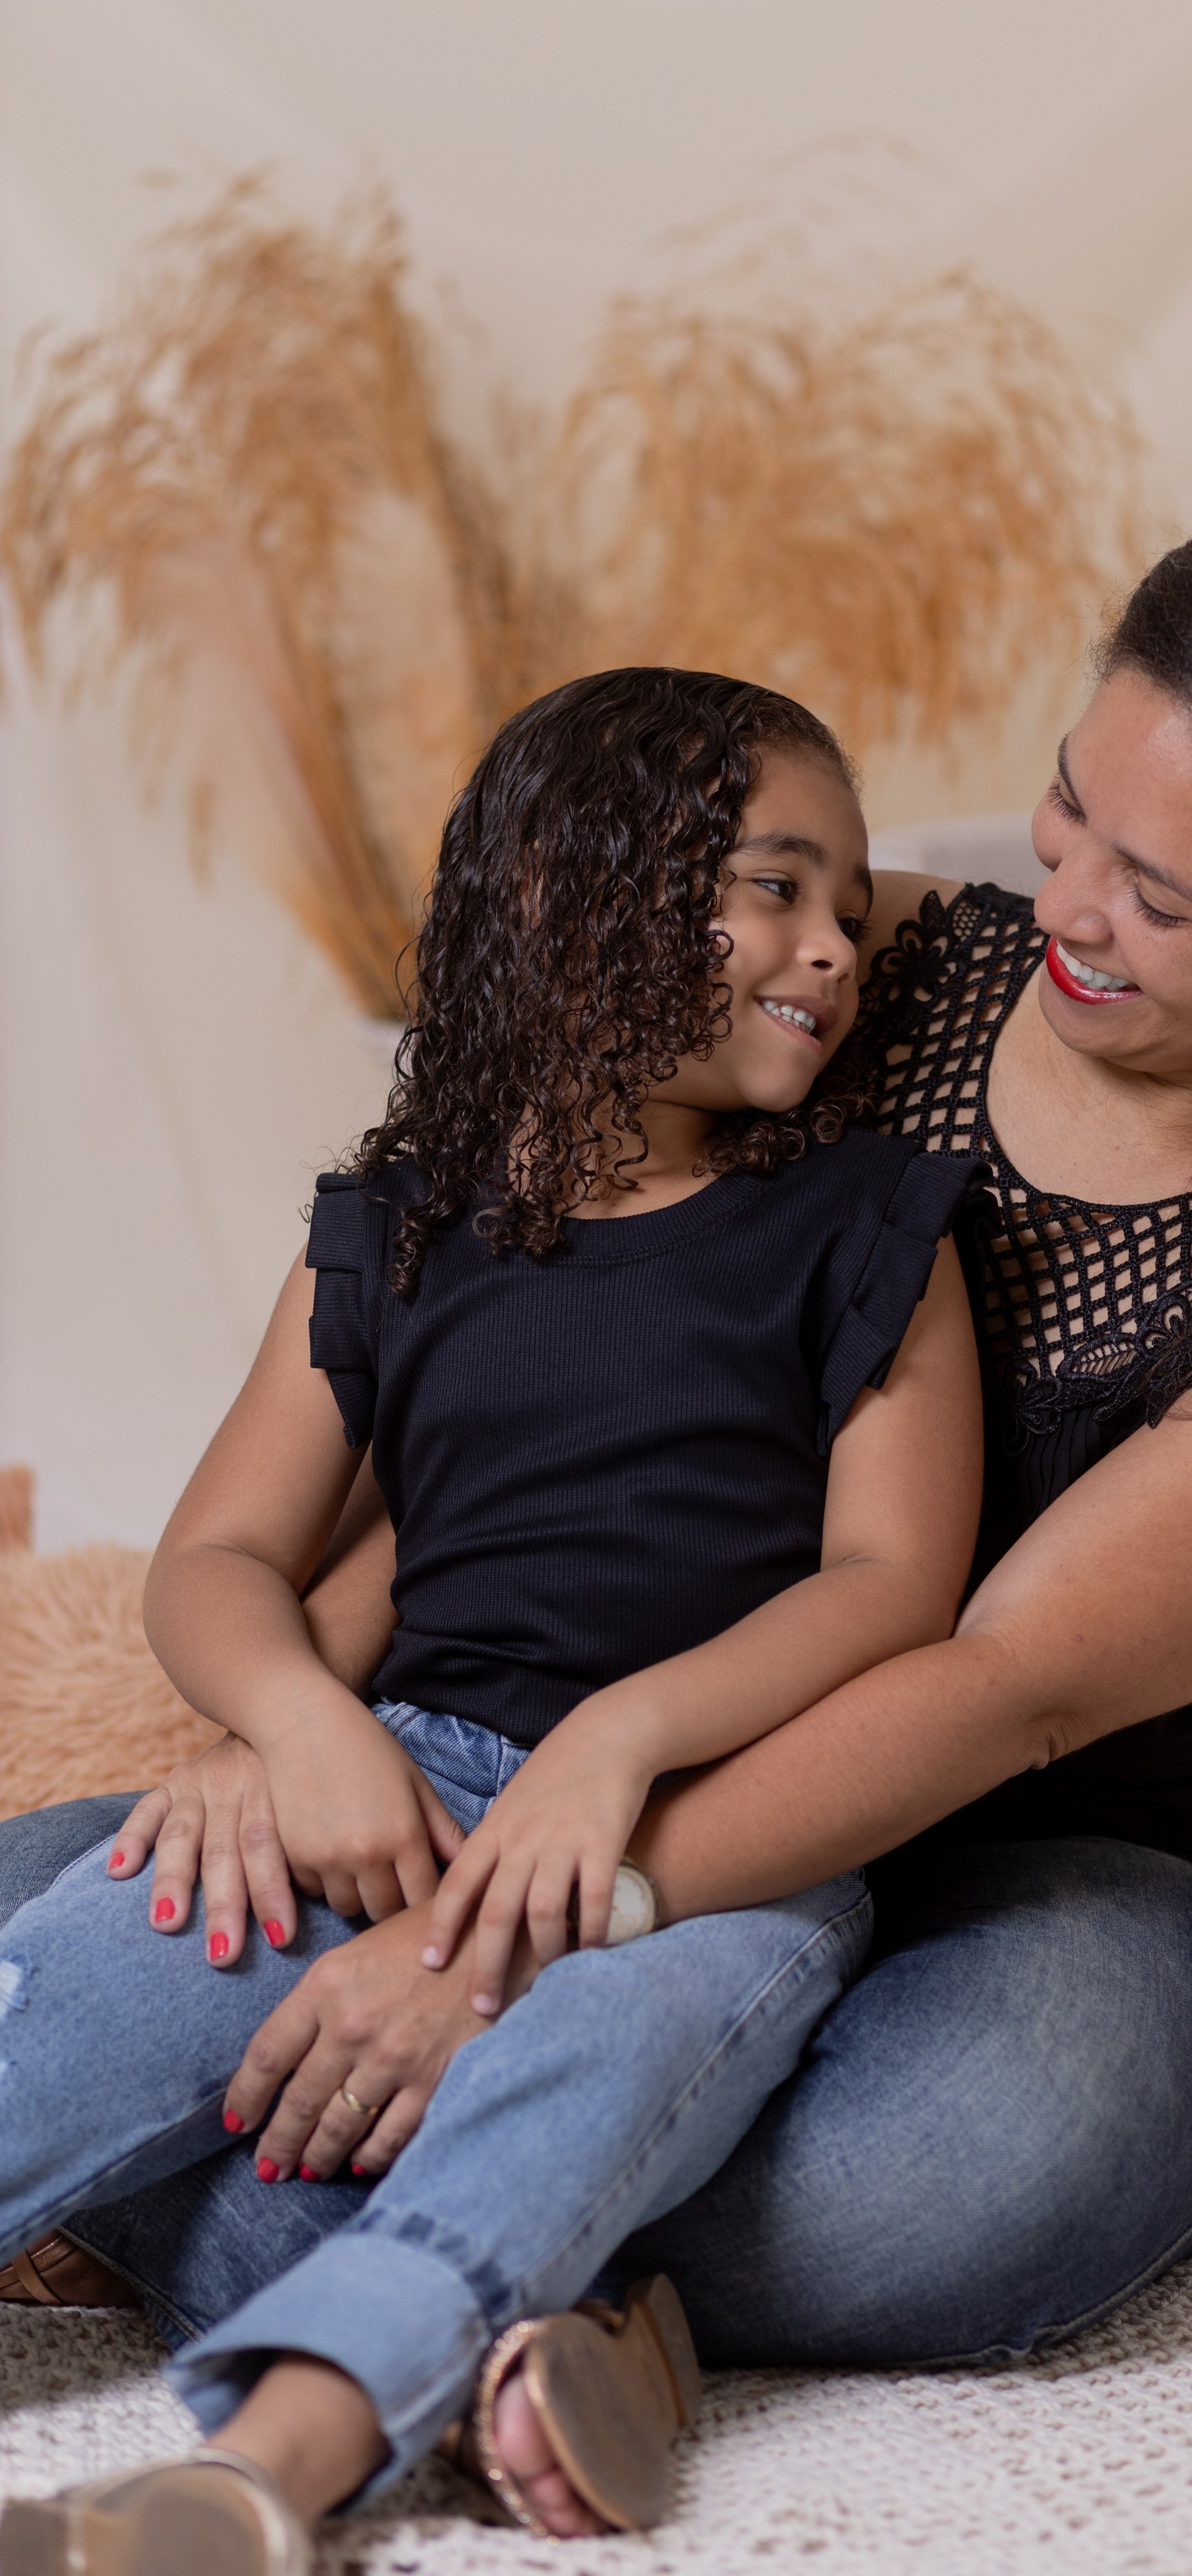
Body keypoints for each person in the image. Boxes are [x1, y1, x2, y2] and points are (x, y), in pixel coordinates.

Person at [0, 485, 1192, 2541]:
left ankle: (405, 2256)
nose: (1062, 893)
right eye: (1070, 808)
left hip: (1035, 1867)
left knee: (982, 2161)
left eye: (1159, 895)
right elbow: (513, 1341)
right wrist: (304, 1737)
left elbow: (992, 1682)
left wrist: (493, 1951)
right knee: (93, 1913)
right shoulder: (853, 964)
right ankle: (524, 2294)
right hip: (559, 1768)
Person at [0, 667, 986, 2571]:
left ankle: (256, 2478)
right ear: (561, 892)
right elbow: (214, 1561)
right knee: (72, 1993)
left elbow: (892, 1590)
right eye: (779, 889)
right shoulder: (400, 1224)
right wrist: (297, 1731)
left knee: (586, 2072)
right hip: (398, 1784)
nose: (833, 950)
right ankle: (562, 2343)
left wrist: (619, 1745)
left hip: (714, 1854)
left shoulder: (871, 1229)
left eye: (851, 911)